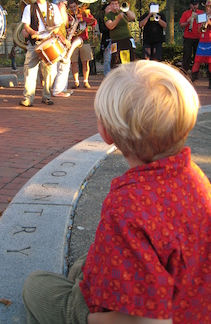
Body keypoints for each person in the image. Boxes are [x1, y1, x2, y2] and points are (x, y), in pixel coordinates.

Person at [22, 59, 211, 324]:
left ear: (105, 132)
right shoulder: (194, 175)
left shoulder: (127, 207)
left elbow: (148, 321)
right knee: (86, 261)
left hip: (139, 313)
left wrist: (88, 319)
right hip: (192, 300)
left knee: (36, 285)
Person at [19, 0, 63, 107]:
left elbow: (57, 26)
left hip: (48, 43)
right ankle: (28, 98)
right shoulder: (29, 8)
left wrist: (52, 31)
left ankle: (46, 96)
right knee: (30, 71)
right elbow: (26, 25)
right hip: (34, 43)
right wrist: (33, 32)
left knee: (50, 71)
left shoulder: (53, 8)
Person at [67, 0, 97, 89]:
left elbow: (94, 22)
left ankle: (85, 81)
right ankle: (76, 82)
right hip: (73, 41)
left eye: (74, 6)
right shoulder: (67, 15)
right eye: (71, 7)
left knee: (85, 61)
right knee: (74, 62)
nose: (73, 9)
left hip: (84, 40)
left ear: (77, 6)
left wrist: (82, 18)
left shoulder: (84, 12)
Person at [104, 0, 136, 67]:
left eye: (116, 4)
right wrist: (118, 18)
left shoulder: (123, 12)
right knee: (116, 61)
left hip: (127, 38)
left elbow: (133, 17)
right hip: (116, 41)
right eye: (112, 4)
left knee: (131, 60)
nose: (115, 6)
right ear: (110, 5)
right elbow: (110, 26)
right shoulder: (108, 15)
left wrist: (126, 10)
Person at [51, 0, 72, 97]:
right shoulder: (55, 14)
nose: (66, 7)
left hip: (60, 42)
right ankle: (58, 90)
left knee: (64, 66)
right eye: (65, 5)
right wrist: (64, 40)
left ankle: (62, 89)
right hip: (58, 42)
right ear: (59, 4)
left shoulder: (57, 14)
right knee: (63, 66)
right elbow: (56, 30)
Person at [179, 0, 204, 73]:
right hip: (188, 37)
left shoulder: (201, 12)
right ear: (190, 5)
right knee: (187, 55)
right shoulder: (186, 13)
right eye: (193, 5)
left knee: (198, 56)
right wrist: (188, 21)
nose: (194, 6)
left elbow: (204, 24)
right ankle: (184, 71)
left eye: (196, 4)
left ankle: (196, 72)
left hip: (198, 37)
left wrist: (198, 18)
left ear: (198, 5)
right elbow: (181, 25)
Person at [191, 0, 211, 88]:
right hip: (202, 41)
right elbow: (199, 30)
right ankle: (193, 79)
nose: (208, 9)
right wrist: (203, 23)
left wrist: (209, 22)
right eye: (207, 7)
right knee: (197, 60)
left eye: (210, 7)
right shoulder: (202, 16)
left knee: (210, 62)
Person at [97, 2, 112, 76]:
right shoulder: (102, 18)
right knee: (107, 59)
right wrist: (111, 26)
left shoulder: (115, 17)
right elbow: (102, 29)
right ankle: (107, 75)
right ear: (105, 10)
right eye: (108, 8)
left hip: (116, 39)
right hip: (107, 40)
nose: (110, 9)